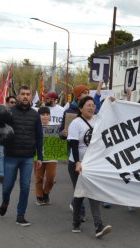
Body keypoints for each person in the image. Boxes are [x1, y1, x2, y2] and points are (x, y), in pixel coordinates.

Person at [0, 85, 43, 227]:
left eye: (28, 94)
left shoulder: (35, 114)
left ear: (31, 97)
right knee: (7, 186)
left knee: (25, 186)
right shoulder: (9, 112)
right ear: (18, 97)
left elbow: (39, 136)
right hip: (11, 155)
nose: (25, 96)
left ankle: (20, 215)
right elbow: (0, 130)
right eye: (23, 94)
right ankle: (5, 201)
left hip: (28, 157)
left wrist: (40, 156)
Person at [68, 96, 112, 238]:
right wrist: (77, 162)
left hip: (92, 165)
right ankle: (76, 223)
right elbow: (73, 145)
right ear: (81, 108)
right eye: (88, 105)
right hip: (77, 164)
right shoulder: (76, 124)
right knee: (79, 194)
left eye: (93, 105)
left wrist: (112, 102)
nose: (92, 108)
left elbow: (111, 115)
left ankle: (98, 226)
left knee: (94, 194)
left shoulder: (97, 120)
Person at [59, 84, 91, 221]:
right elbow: (61, 132)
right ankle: (80, 213)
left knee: (85, 185)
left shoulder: (92, 111)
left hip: (90, 157)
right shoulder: (68, 111)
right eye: (84, 92)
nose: (87, 94)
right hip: (74, 154)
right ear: (78, 96)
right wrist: (64, 133)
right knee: (79, 185)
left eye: (88, 92)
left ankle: (75, 203)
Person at [34, 106, 57, 206]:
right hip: (37, 156)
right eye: (43, 115)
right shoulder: (35, 128)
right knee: (39, 178)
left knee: (51, 177)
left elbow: (61, 139)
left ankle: (46, 193)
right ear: (39, 116)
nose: (45, 116)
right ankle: (39, 196)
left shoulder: (55, 127)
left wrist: (63, 134)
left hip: (51, 156)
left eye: (47, 114)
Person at [0, 95, 17, 183]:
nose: (14, 104)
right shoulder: (1, 112)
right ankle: (2, 175)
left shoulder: (17, 113)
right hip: (2, 136)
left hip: (13, 138)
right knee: (2, 156)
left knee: (12, 157)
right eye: (12, 102)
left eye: (15, 103)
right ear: (7, 103)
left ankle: (10, 174)